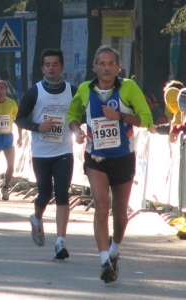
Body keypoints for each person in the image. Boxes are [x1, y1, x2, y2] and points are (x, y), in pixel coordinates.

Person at [67, 45, 153, 283]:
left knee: (120, 214)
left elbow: (147, 120)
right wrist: (76, 131)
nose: (106, 68)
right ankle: (104, 261)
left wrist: (121, 116)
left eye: (110, 64)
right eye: (101, 64)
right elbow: (72, 116)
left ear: (118, 67)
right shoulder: (85, 89)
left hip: (123, 157)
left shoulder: (128, 88)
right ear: (94, 67)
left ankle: (114, 251)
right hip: (96, 159)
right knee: (102, 207)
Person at [16, 49, 78, 261]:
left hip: (64, 151)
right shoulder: (35, 92)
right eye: (47, 65)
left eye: (55, 64)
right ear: (42, 68)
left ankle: (60, 242)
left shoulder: (72, 90)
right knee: (45, 193)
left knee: (62, 193)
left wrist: (79, 131)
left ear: (62, 67)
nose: (51, 68)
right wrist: (37, 127)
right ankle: (36, 218)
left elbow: (80, 115)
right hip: (41, 152)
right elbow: (20, 119)